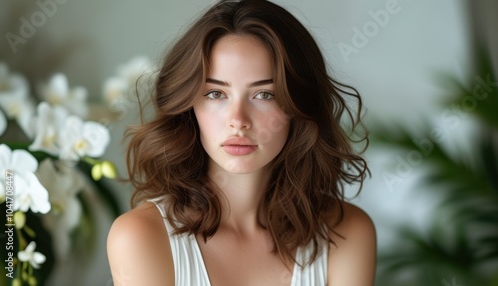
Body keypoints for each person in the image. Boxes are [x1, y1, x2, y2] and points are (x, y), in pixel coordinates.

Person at [107, 0, 376, 285]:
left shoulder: (347, 232)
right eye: (215, 94)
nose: (238, 120)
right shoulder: (140, 236)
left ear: (299, 107)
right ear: (188, 107)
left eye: (264, 95)